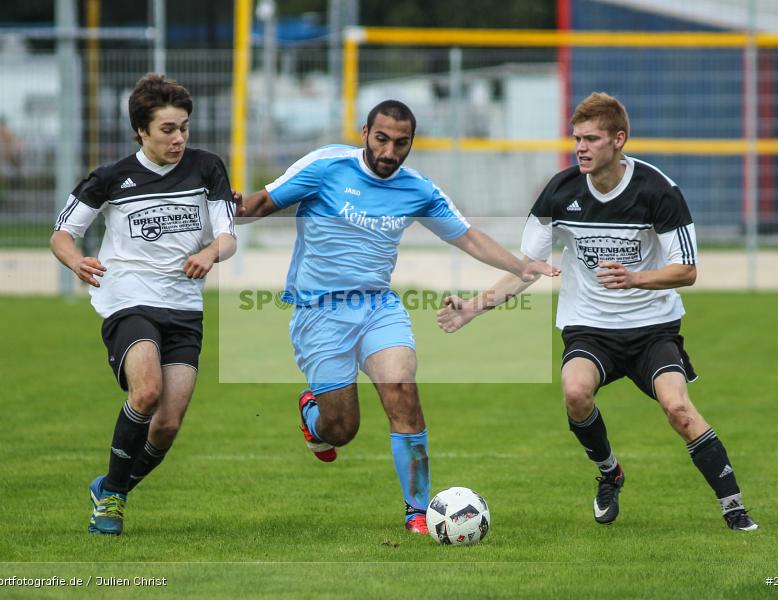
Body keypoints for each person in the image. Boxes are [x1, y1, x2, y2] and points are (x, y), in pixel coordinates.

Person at [436, 92, 758, 532]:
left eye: (591, 138)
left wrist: (636, 278)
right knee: (574, 393)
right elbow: (525, 268)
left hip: (651, 327)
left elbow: (687, 271)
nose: (581, 148)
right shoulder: (560, 191)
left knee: (678, 408)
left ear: (618, 140)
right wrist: (472, 308)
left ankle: (734, 508)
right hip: (590, 328)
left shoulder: (658, 191)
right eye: (576, 139)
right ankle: (610, 472)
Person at [237, 99, 552, 534]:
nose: (389, 152)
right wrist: (221, 206)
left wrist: (520, 267)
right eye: (381, 139)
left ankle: (418, 513)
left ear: (411, 143)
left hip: (378, 307)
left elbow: (468, 237)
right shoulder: (327, 166)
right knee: (342, 428)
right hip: (320, 312)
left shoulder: (417, 189)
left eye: (400, 144)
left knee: (402, 390)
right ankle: (314, 418)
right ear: (365, 131)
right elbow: (258, 205)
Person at [50, 74, 237, 535]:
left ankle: (112, 487)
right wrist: (76, 262)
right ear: (141, 130)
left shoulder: (207, 168)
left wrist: (210, 252)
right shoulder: (111, 178)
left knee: (168, 425)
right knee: (147, 391)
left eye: (184, 128)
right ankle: (112, 501)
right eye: (167, 130)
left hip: (184, 309)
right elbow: (62, 234)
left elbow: (228, 238)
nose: (179, 139)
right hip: (128, 299)